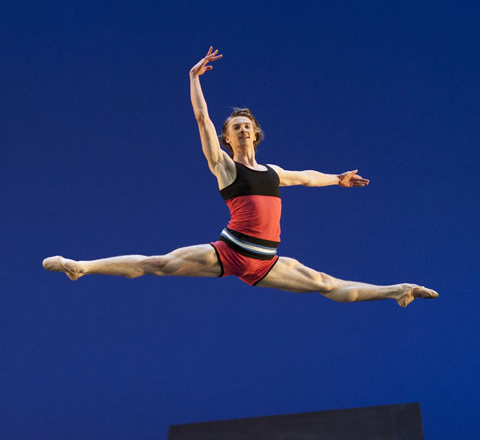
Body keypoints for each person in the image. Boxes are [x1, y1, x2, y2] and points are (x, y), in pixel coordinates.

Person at [43, 47, 438, 308]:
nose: (243, 129)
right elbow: (202, 119)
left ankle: (399, 290)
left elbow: (306, 178)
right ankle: (82, 266)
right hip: (230, 251)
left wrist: (337, 178)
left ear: (256, 133)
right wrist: (195, 80)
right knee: (158, 263)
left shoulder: (273, 172)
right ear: (226, 137)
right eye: (236, 126)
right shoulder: (225, 166)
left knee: (327, 285)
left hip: (266, 261)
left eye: (248, 125)